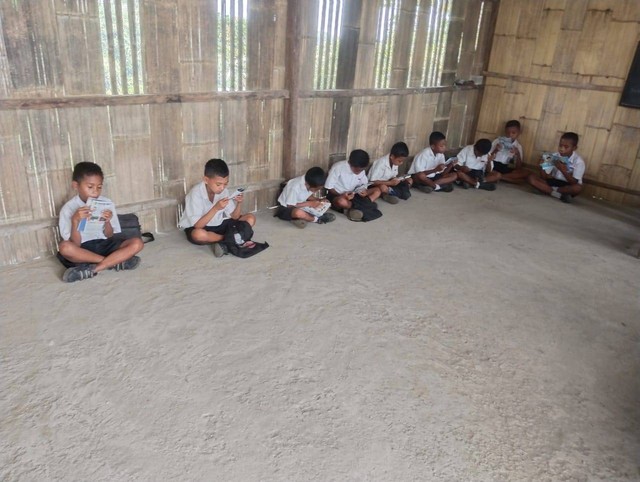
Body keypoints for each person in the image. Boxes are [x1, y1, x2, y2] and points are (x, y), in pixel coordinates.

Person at [57, 162, 144, 282]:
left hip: (105, 244)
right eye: (90, 187)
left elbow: (109, 235)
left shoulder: (106, 203)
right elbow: (75, 244)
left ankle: (94, 269)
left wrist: (107, 221)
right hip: (83, 249)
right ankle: (115, 261)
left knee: (137, 243)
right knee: (65, 247)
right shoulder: (68, 208)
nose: (95, 192)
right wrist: (75, 220)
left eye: (99, 187)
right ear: (75, 185)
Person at [179, 158, 256, 256]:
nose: (222, 188)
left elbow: (235, 217)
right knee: (198, 235)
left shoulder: (223, 191)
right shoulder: (195, 194)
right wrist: (216, 208)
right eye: (218, 184)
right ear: (206, 180)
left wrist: (239, 203)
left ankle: (228, 240)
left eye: (225, 184)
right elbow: (198, 226)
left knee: (250, 218)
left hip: (219, 224)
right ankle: (231, 238)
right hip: (200, 226)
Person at [527, 132, 585, 203]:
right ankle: (558, 195)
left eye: (566, 147)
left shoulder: (579, 162)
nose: (562, 149)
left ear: (574, 148)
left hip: (567, 186)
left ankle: (545, 190)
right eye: (560, 146)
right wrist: (543, 167)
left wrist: (563, 170)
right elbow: (544, 177)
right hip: (554, 182)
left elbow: (574, 182)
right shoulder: (554, 155)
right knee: (531, 178)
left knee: (577, 188)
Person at [325, 149, 382, 221]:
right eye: (357, 170)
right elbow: (329, 187)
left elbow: (363, 184)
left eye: (361, 170)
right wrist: (343, 195)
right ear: (351, 164)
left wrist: (364, 191)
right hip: (338, 195)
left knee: (377, 191)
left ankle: (353, 210)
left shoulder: (361, 170)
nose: (359, 172)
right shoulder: (338, 167)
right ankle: (363, 207)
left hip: (354, 195)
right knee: (341, 202)